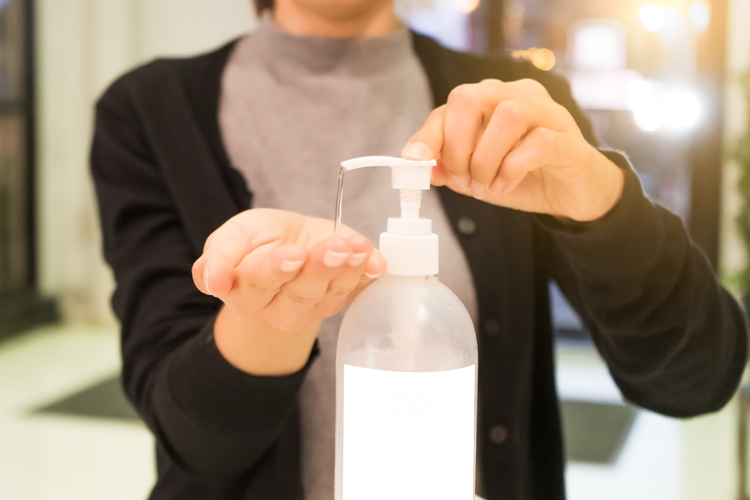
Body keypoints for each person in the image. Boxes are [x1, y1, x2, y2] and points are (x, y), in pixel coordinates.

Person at [89, 0, 747, 497]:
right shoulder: (149, 112)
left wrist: (605, 202)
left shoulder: (513, 110)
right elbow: (194, 443)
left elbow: (696, 380)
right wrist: (271, 312)